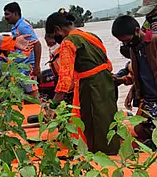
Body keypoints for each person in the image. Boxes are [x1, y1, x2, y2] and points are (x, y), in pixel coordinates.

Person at [45, 12, 119, 154]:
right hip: (107, 84)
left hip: (90, 87)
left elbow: (65, 78)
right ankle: (113, 151)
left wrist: (53, 104)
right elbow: (108, 64)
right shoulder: (91, 36)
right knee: (108, 120)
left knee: (94, 123)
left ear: (57, 30)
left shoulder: (69, 42)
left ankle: (99, 155)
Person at [112, 15, 157, 142]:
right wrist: (131, 91)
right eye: (123, 42)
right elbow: (139, 74)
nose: (126, 44)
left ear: (137, 30)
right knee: (143, 129)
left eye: (127, 40)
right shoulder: (133, 48)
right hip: (148, 99)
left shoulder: (156, 41)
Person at [3, 2, 42, 94]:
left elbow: (37, 44)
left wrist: (37, 66)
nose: (5, 17)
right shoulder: (15, 27)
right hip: (20, 67)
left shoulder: (23, 26)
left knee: (32, 95)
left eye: (7, 14)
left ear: (15, 14)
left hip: (28, 68)